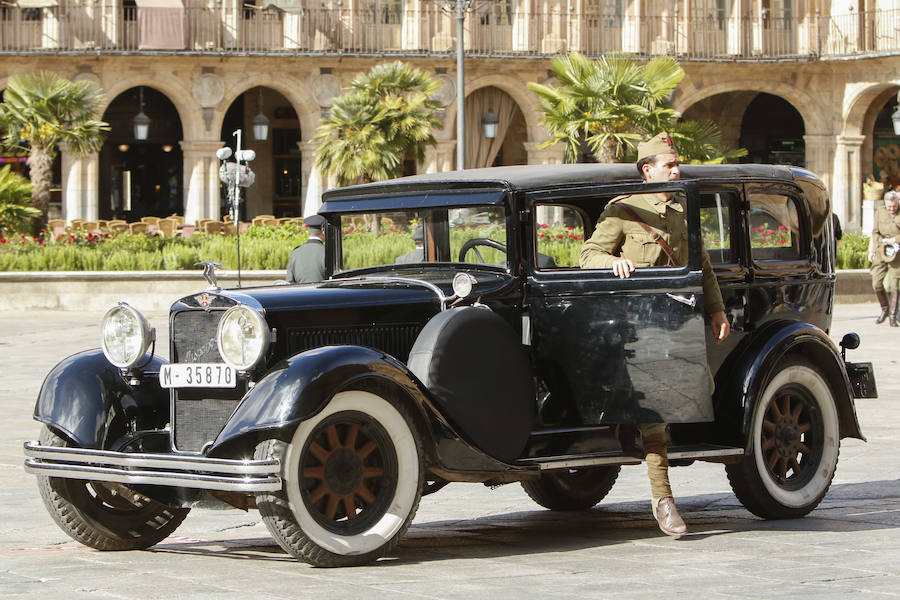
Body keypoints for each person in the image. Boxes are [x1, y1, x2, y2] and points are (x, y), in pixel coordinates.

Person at [580, 132, 730, 537]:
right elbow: (587, 254)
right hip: (636, 324)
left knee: (694, 393)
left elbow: (703, 264)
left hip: (676, 323)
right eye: (669, 165)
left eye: (676, 164)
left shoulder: (682, 211)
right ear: (648, 170)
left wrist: (716, 309)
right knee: (657, 413)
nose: (676, 171)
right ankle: (663, 499)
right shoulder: (623, 211)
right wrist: (612, 264)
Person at [869, 190, 900, 326]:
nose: (891, 209)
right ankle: (885, 309)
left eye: (894, 206)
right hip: (881, 249)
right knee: (876, 282)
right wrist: (873, 249)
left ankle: (893, 316)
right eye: (889, 207)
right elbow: (875, 232)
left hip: (896, 251)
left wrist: (895, 240)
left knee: (895, 284)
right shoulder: (880, 212)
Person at [286, 214, 327, 283]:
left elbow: (289, 282)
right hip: (323, 293)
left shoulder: (295, 252)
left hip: (301, 293)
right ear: (323, 230)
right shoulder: (328, 251)